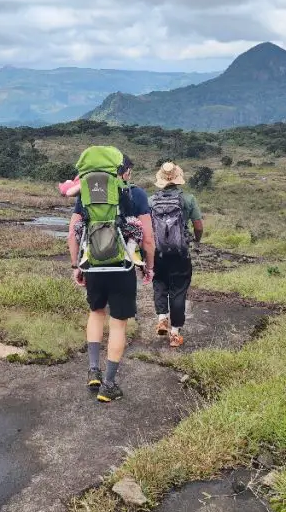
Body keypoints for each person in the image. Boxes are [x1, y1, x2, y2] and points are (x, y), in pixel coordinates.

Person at [68, 154, 154, 403]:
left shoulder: (86, 192)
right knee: (118, 323)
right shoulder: (135, 194)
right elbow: (147, 238)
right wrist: (149, 266)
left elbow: (72, 235)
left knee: (96, 313)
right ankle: (109, 384)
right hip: (123, 267)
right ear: (124, 172)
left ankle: (93, 370)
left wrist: (77, 266)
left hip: (94, 265)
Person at [150, 161, 203, 348]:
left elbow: (148, 229)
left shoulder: (151, 201)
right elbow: (198, 225)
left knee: (159, 283)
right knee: (179, 290)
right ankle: (174, 334)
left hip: (158, 252)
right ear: (178, 178)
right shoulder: (188, 199)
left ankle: (162, 318)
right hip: (181, 252)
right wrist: (196, 240)